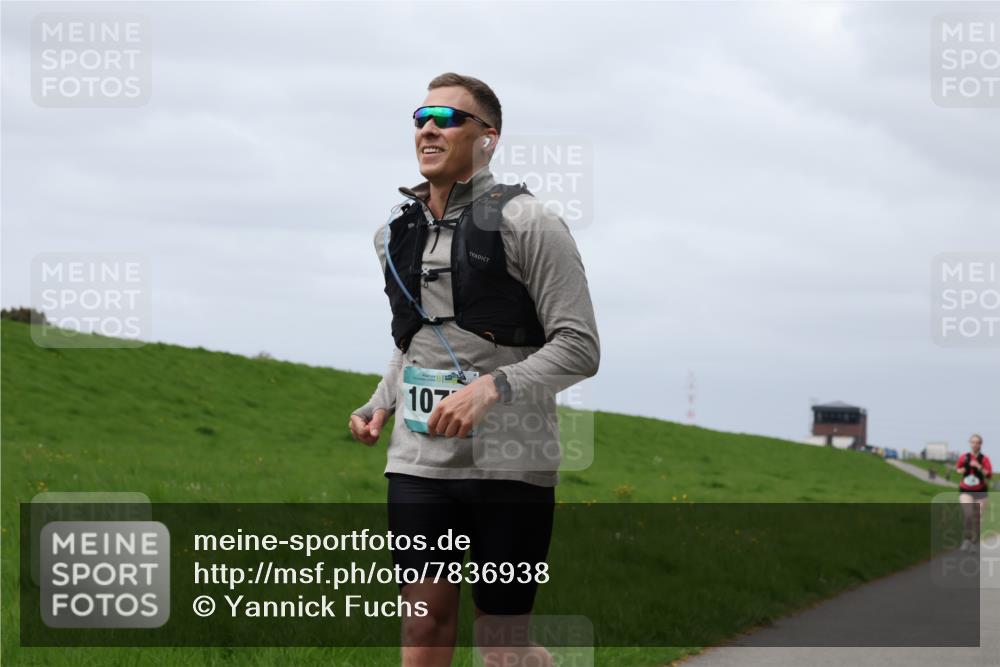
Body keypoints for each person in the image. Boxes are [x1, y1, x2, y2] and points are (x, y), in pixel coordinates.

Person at [348, 73, 600, 666]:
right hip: (420, 462)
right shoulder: (394, 235)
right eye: (421, 117)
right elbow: (413, 341)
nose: (428, 128)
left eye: (447, 117)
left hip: (511, 463)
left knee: (500, 644)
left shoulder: (532, 224)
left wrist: (492, 388)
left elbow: (580, 346)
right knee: (423, 626)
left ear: (488, 138)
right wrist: (380, 402)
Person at [956, 434, 992, 553]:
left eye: (978, 442)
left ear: (981, 444)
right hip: (966, 490)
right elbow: (958, 469)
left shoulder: (984, 459)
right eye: (973, 442)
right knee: (968, 515)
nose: (975, 444)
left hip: (981, 491)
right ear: (970, 443)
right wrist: (961, 470)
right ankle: (966, 540)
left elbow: (989, 475)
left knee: (978, 518)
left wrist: (978, 466)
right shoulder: (964, 457)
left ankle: (974, 543)